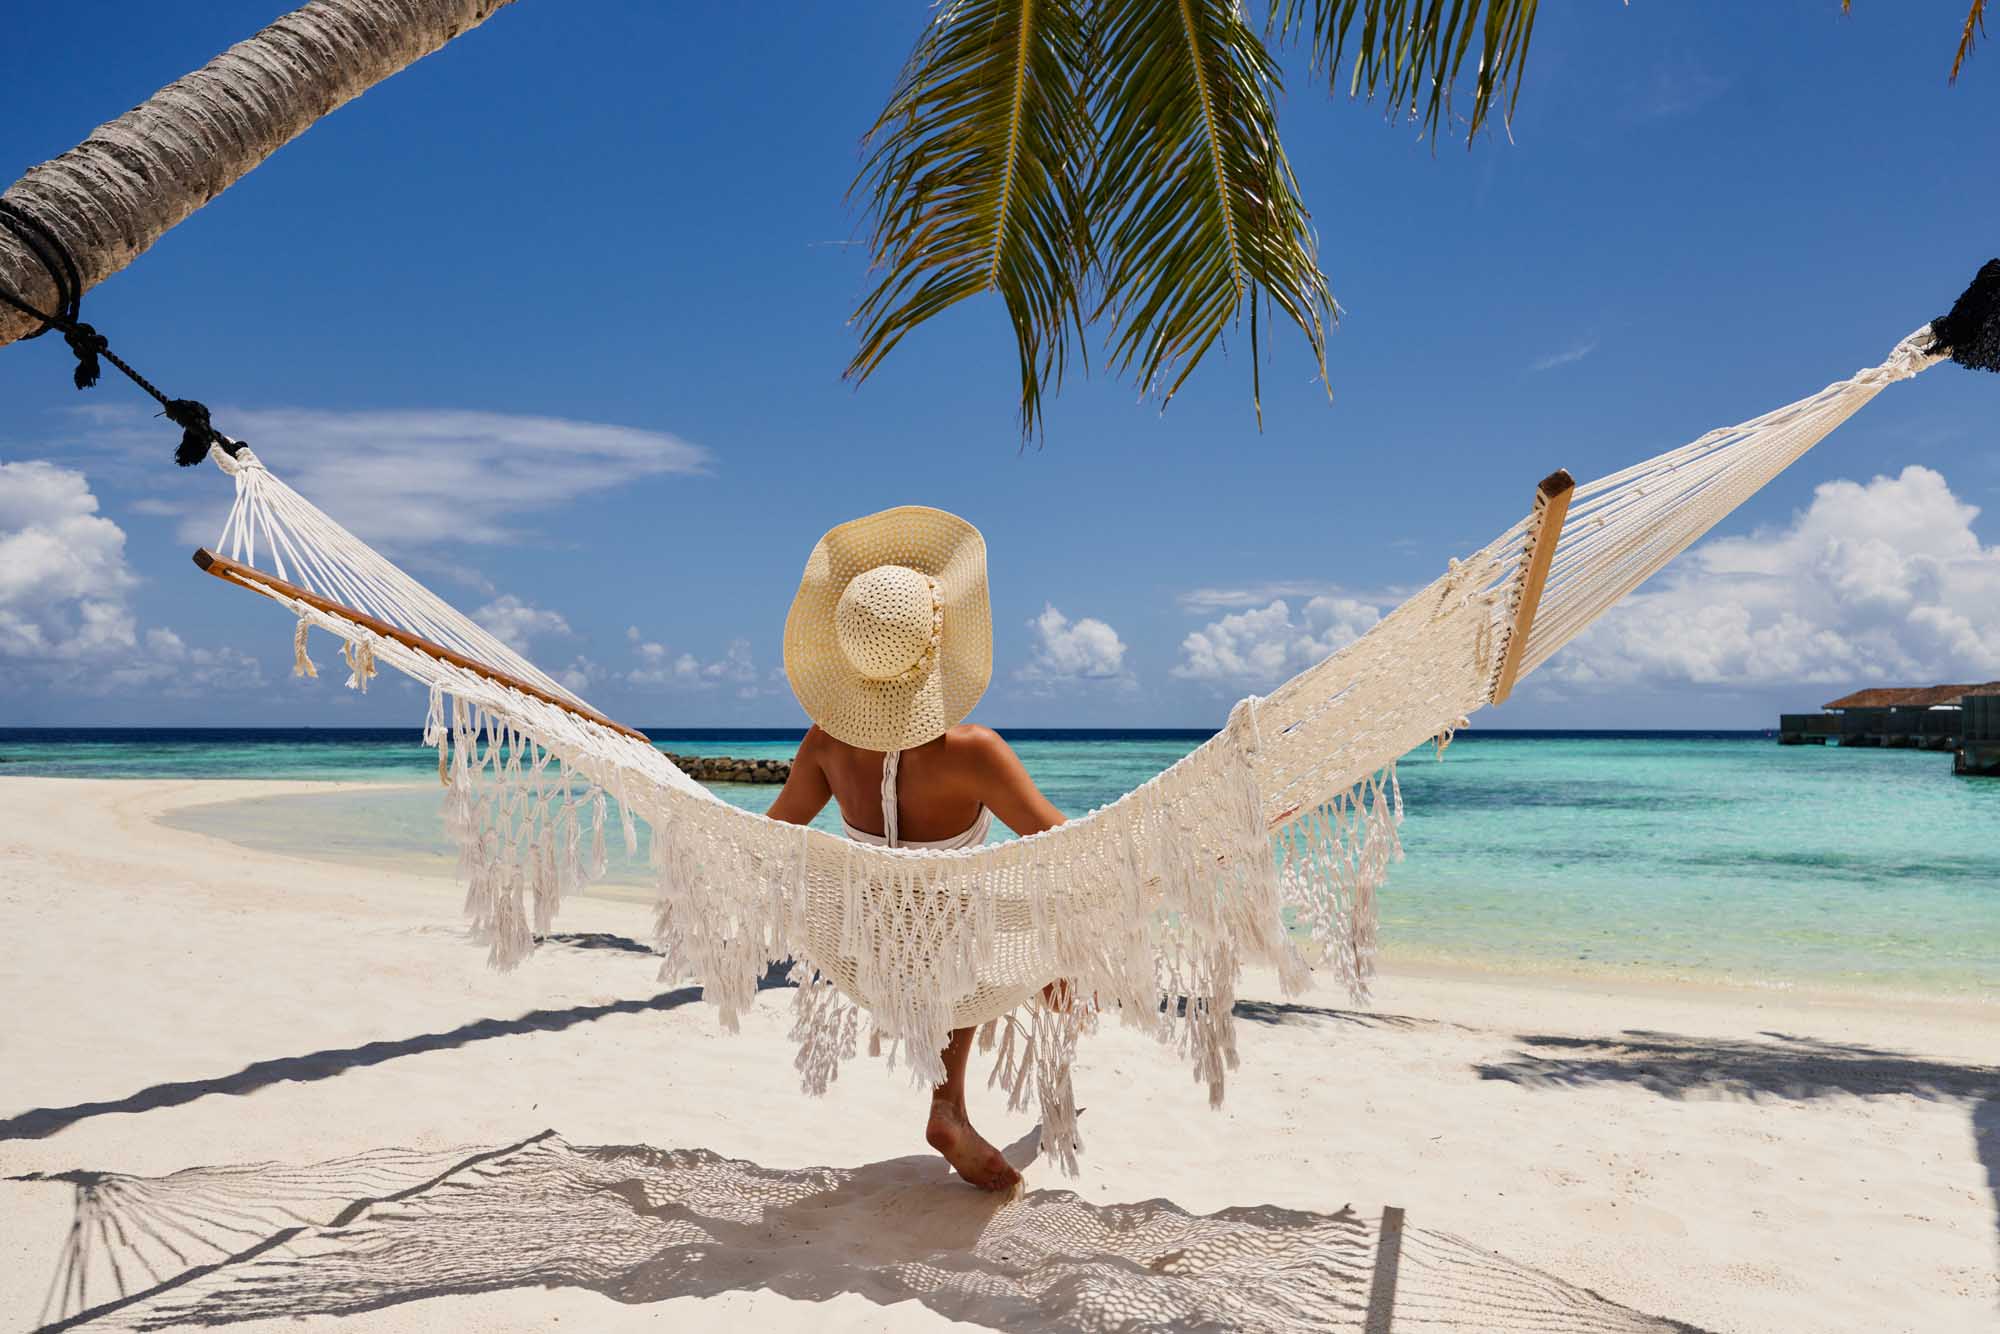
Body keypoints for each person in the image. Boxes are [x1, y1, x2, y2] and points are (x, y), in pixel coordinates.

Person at [764, 505, 1066, 1192]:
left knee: (944, 916)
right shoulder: (975, 752)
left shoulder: (825, 744)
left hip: (872, 947)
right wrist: (1191, 847)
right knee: (1033, 911)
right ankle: (949, 1102)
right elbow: (1065, 845)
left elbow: (773, 835)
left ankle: (952, 1104)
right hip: (955, 953)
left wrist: (678, 806)